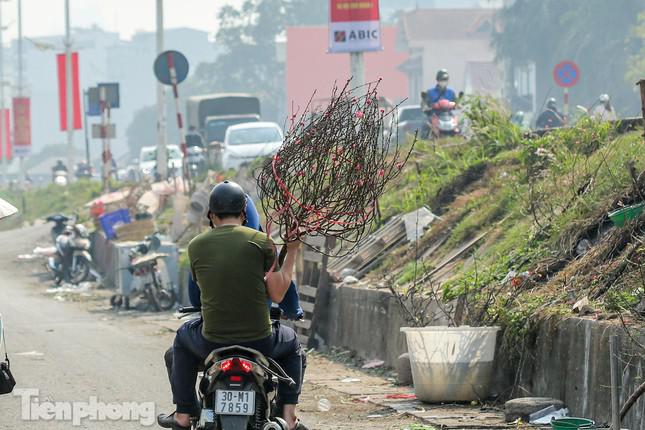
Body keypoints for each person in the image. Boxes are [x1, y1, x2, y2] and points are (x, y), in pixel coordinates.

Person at [158, 181, 307, 430]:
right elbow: (279, 294)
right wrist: (291, 251)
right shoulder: (263, 242)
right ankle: (289, 417)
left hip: (212, 341)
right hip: (260, 340)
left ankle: (183, 414)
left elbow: (199, 294)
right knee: (292, 344)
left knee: (183, 337)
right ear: (243, 213)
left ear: (211, 215)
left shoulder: (196, 246)